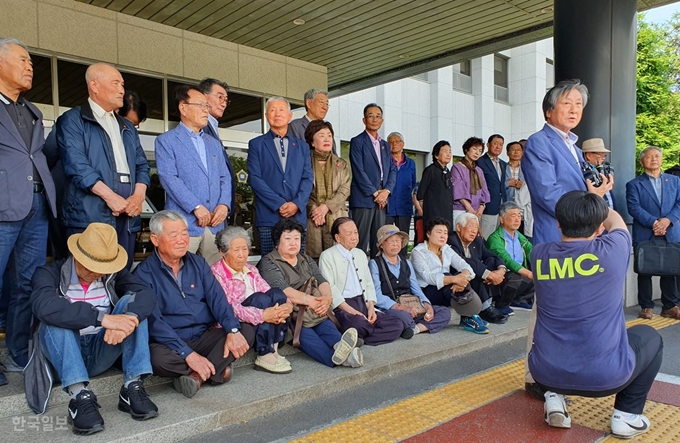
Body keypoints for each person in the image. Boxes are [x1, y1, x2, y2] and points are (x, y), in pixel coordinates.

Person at [529, 191, 663, 440]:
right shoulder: (613, 250)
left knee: (558, 336)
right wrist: (597, 195)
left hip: (545, 372)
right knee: (651, 337)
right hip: (606, 377)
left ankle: (553, 398)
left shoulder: (539, 255)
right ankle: (627, 415)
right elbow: (617, 221)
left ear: (558, 222)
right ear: (600, 227)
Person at [31, 223, 158, 435]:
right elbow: (43, 306)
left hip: (101, 350)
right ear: (75, 255)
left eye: (101, 267)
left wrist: (126, 320)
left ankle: (132, 387)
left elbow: (146, 294)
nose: (95, 272)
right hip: (64, 355)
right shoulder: (48, 273)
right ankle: (79, 397)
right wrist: (103, 319)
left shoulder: (113, 275)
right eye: (90, 265)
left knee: (134, 308)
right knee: (56, 317)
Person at [133, 210, 255, 398]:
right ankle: (217, 370)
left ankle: (196, 376)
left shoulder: (198, 263)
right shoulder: (143, 274)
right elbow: (154, 322)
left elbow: (217, 299)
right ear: (155, 240)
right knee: (155, 358)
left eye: (185, 233)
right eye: (174, 235)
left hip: (203, 335)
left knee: (245, 331)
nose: (182, 240)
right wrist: (188, 354)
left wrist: (231, 330)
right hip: (172, 342)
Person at [0, 37, 57, 378]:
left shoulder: (32, 111)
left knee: (27, 283)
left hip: (36, 206)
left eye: (31, 62)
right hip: (3, 206)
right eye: (22, 60)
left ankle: (18, 350)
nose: (29, 66)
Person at [57, 63, 150, 270]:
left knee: (122, 273)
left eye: (122, 84)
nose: (121, 90)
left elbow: (142, 165)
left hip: (128, 213)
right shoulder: (73, 120)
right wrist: (110, 196)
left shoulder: (126, 126)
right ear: (94, 86)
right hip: (90, 213)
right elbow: (77, 166)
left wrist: (138, 196)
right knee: (89, 274)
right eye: (115, 83)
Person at [258, 219, 364, 368]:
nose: (293, 243)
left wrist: (327, 298)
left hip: (316, 313)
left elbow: (322, 280)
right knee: (315, 345)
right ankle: (346, 357)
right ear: (277, 241)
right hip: (293, 319)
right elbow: (283, 290)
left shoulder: (306, 259)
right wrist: (313, 301)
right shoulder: (268, 262)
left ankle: (343, 348)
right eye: (288, 239)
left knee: (331, 333)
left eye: (297, 238)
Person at [522, 79, 613, 244]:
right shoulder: (539, 142)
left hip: (584, 236)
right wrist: (590, 205)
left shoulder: (575, 149)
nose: (574, 110)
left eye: (579, 104)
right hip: (557, 236)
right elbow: (548, 194)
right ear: (549, 111)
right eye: (566, 103)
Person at [155, 85, 232, 266]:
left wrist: (224, 205)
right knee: (179, 273)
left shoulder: (213, 143)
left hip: (214, 224)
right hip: (184, 224)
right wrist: (195, 206)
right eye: (201, 105)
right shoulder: (167, 140)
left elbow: (225, 177)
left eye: (207, 106)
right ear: (183, 108)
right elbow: (169, 178)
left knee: (213, 277)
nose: (207, 110)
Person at [211, 226, 293, 374]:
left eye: (245, 249)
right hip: (237, 320)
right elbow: (231, 308)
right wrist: (263, 315)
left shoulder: (251, 269)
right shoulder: (216, 274)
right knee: (261, 300)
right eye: (236, 250)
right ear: (222, 252)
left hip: (263, 313)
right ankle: (264, 353)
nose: (242, 255)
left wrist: (287, 306)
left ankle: (274, 349)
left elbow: (267, 289)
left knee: (277, 294)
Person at [319, 217, 403, 345]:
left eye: (356, 232)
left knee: (397, 325)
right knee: (357, 324)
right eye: (348, 234)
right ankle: (360, 334)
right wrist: (352, 311)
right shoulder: (327, 256)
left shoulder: (360, 254)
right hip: (342, 307)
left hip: (362, 303)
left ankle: (358, 340)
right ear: (337, 237)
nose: (354, 237)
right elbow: (330, 289)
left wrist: (370, 307)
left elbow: (368, 283)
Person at [248, 97, 313, 256]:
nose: (277, 114)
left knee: (297, 264)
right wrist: (279, 203)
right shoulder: (256, 144)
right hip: (269, 216)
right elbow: (255, 179)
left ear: (290, 116)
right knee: (270, 265)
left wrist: (296, 204)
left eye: (281, 110)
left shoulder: (302, 147)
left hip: (296, 216)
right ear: (266, 115)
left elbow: (307, 179)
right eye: (272, 110)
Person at [626, 146, 680, 320]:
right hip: (645, 232)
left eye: (657, 156)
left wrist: (667, 220)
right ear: (642, 162)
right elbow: (633, 207)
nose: (654, 159)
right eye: (649, 157)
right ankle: (646, 307)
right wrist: (654, 223)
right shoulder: (634, 184)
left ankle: (669, 306)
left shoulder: (675, 181)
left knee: (670, 269)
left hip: (670, 231)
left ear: (662, 159)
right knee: (644, 269)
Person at [369, 224, 451, 339]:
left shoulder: (406, 263)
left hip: (412, 306)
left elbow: (416, 288)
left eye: (398, 240)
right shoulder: (375, 263)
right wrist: (401, 307)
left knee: (444, 312)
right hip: (392, 308)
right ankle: (415, 325)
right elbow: (376, 295)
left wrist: (427, 306)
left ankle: (415, 329)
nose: (395, 244)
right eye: (390, 241)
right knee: (403, 317)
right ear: (381, 245)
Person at [410, 217, 488, 334]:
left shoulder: (446, 249)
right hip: (427, 293)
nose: (443, 236)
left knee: (462, 276)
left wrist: (461, 278)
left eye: (445, 233)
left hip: (447, 290)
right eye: (439, 232)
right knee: (451, 276)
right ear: (428, 234)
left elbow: (467, 267)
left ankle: (468, 316)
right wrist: (455, 279)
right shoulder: (418, 252)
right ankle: (468, 317)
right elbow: (428, 277)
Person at [349, 104, 397, 256]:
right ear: (364, 120)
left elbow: (392, 170)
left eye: (378, 116)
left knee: (380, 241)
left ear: (382, 121)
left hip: (382, 198)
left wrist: (386, 191)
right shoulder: (357, 141)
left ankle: (377, 274)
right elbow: (358, 171)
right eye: (370, 116)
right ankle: (358, 275)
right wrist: (376, 194)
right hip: (365, 198)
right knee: (359, 241)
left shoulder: (384, 145)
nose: (374, 119)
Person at [448, 213, 509, 325]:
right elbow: (464, 261)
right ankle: (485, 308)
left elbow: (493, 255)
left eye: (476, 227)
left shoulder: (477, 241)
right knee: (473, 269)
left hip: (477, 278)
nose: (474, 230)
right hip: (456, 278)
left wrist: (501, 270)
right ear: (458, 227)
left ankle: (489, 304)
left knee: (490, 261)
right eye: (471, 226)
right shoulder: (451, 240)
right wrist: (488, 274)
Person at [304, 120, 350, 259]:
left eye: (329, 135)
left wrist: (326, 208)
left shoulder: (341, 164)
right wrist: (315, 210)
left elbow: (345, 190)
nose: (327, 139)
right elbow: (302, 189)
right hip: (313, 217)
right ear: (312, 141)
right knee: (314, 257)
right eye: (321, 135)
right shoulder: (304, 162)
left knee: (338, 256)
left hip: (336, 215)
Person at [198, 78, 236, 225]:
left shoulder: (212, 126)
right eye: (220, 97)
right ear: (203, 96)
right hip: (206, 214)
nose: (224, 103)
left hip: (218, 212)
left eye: (226, 99)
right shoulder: (201, 128)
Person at [486, 201, 535, 316]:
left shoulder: (518, 235)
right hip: (501, 277)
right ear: (502, 219)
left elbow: (530, 249)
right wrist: (528, 273)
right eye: (513, 216)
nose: (518, 219)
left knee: (538, 277)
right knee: (516, 277)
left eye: (519, 216)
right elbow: (507, 261)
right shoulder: (495, 238)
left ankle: (519, 300)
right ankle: (502, 304)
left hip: (519, 273)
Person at [385, 132, 416, 256]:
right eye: (391, 142)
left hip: (404, 206)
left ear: (403, 144)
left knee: (403, 238)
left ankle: (402, 264)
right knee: (385, 237)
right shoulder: (385, 162)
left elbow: (413, 183)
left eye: (397, 141)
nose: (394, 144)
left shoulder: (411, 163)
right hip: (387, 205)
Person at [451, 137, 490, 231]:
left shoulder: (479, 170)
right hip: (460, 209)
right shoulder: (457, 167)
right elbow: (457, 189)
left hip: (476, 210)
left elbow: (484, 191)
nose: (477, 153)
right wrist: (469, 208)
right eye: (474, 149)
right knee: (459, 235)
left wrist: (481, 208)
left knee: (473, 238)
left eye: (480, 150)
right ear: (466, 149)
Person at [416, 141, 454, 232]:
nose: (448, 154)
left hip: (447, 213)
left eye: (449, 151)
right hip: (434, 214)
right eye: (445, 151)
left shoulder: (447, 171)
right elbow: (420, 194)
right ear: (436, 155)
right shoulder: (430, 170)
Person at [477, 134, 507, 239]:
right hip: (488, 208)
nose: (498, 147)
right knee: (486, 238)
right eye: (495, 144)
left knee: (499, 240)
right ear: (488, 145)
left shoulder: (504, 164)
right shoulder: (480, 162)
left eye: (501, 145)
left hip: (502, 208)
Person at [288, 88, 336, 154]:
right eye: (321, 102)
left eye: (327, 104)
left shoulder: (327, 127)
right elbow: (295, 154)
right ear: (309, 103)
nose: (325, 107)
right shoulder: (295, 126)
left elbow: (334, 155)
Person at [504, 141, 533, 241]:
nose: (516, 152)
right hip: (505, 205)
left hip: (523, 211)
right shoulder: (502, 167)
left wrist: (523, 185)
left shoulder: (527, 168)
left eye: (518, 150)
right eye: (513, 150)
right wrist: (508, 183)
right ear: (507, 152)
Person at [581, 138, 616, 209]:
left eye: (604, 155)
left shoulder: (603, 170)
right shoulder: (583, 172)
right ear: (589, 155)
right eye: (600, 155)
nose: (603, 158)